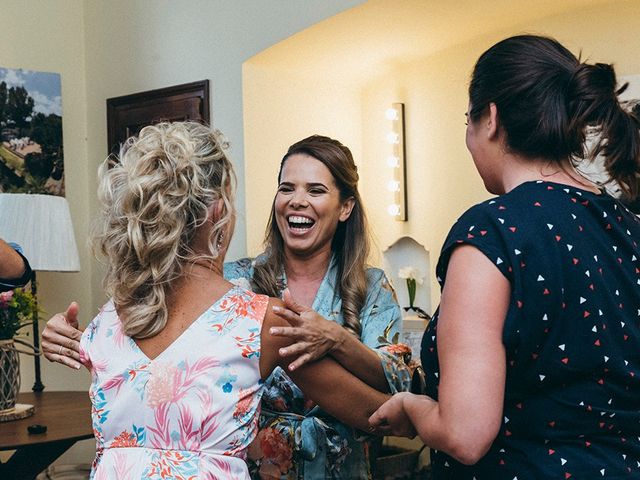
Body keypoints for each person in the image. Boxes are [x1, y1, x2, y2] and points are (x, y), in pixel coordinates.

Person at [43, 134, 411, 478]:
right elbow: (378, 414)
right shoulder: (255, 309)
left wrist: (340, 340)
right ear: (218, 211)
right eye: (286, 188)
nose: (298, 200)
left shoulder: (109, 319)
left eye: (315, 190)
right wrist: (430, 418)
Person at [369, 34, 640, 479]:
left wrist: (413, 406)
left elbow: (465, 434)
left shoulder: (494, 232)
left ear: (490, 118)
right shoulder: (629, 228)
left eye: (467, 120)